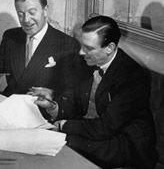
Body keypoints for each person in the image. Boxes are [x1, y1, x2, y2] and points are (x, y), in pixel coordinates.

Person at [31, 15, 158, 169]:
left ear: (109, 48)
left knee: (59, 143)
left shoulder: (132, 76)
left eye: (89, 48)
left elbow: (107, 127)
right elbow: (75, 102)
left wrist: (65, 126)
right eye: (81, 45)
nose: (81, 53)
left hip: (124, 142)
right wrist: (53, 106)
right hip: (96, 131)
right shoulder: (88, 62)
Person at [0, 0, 88, 97]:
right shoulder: (11, 37)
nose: (26, 20)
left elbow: (72, 92)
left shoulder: (67, 44)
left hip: (42, 110)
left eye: (32, 12)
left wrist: (53, 94)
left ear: (45, 11)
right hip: (10, 105)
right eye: (20, 14)